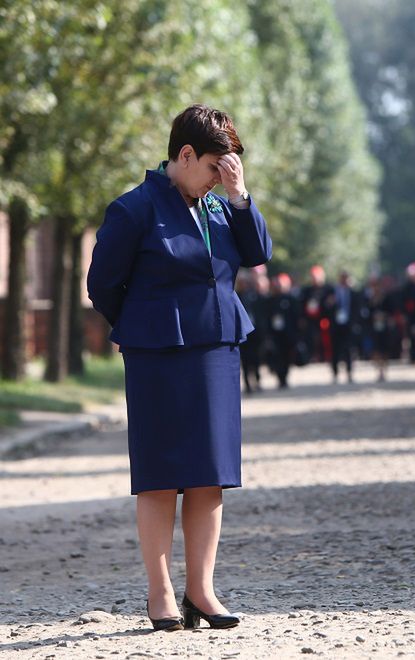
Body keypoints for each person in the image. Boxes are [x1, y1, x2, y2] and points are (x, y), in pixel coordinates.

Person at [86, 105, 272, 632]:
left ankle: (202, 590)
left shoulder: (220, 208)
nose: (221, 177)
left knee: (210, 477)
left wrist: (239, 197)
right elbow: (102, 285)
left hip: (216, 350)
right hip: (158, 357)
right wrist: (143, 326)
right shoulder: (135, 209)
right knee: (161, 477)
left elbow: (257, 254)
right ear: (185, 155)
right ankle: (160, 591)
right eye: (217, 166)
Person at [264, 273, 299, 388]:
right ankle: (280, 377)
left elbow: (295, 316)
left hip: (287, 333)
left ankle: (285, 376)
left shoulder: (289, 299)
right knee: (277, 356)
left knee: (286, 356)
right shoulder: (269, 301)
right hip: (275, 333)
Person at [325, 270, 360, 383]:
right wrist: (330, 303)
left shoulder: (353, 292)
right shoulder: (332, 292)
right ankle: (335, 373)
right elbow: (326, 307)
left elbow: (356, 308)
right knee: (335, 350)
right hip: (335, 325)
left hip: (348, 325)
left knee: (349, 350)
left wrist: (354, 322)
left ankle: (349, 372)